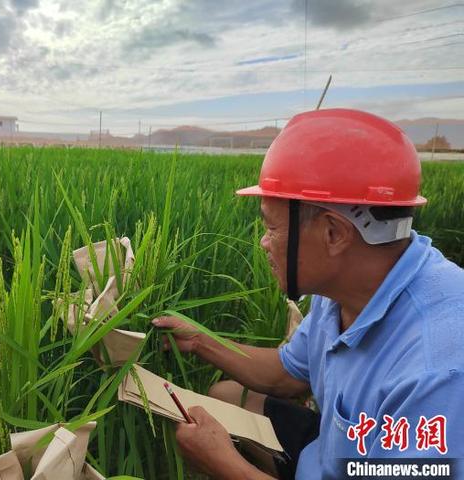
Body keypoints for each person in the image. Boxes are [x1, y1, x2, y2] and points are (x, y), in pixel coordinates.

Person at [152, 109, 464, 479]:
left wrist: (225, 466)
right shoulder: (342, 287)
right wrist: (202, 342)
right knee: (224, 396)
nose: (264, 243)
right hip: (332, 452)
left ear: (334, 234)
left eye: (272, 226)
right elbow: (288, 374)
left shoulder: (438, 371)